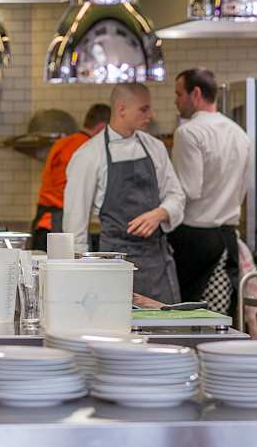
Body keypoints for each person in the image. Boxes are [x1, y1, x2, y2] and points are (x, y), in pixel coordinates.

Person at [63, 82, 186, 303]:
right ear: (121, 109)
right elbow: (75, 226)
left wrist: (160, 213)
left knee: (166, 323)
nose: (151, 115)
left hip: (157, 263)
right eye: (144, 109)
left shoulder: (155, 147)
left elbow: (176, 196)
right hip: (114, 265)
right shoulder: (89, 155)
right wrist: (80, 276)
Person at [168, 68, 250, 307]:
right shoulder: (240, 134)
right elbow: (243, 188)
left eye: (179, 94)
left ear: (195, 94)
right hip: (228, 237)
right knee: (220, 314)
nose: (176, 101)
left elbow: (188, 190)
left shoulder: (188, 133)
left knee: (188, 312)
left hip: (195, 240)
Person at [31, 103, 111, 250]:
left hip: (43, 225)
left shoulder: (62, 143)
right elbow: (75, 194)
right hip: (60, 228)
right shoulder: (87, 149)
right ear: (102, 128)